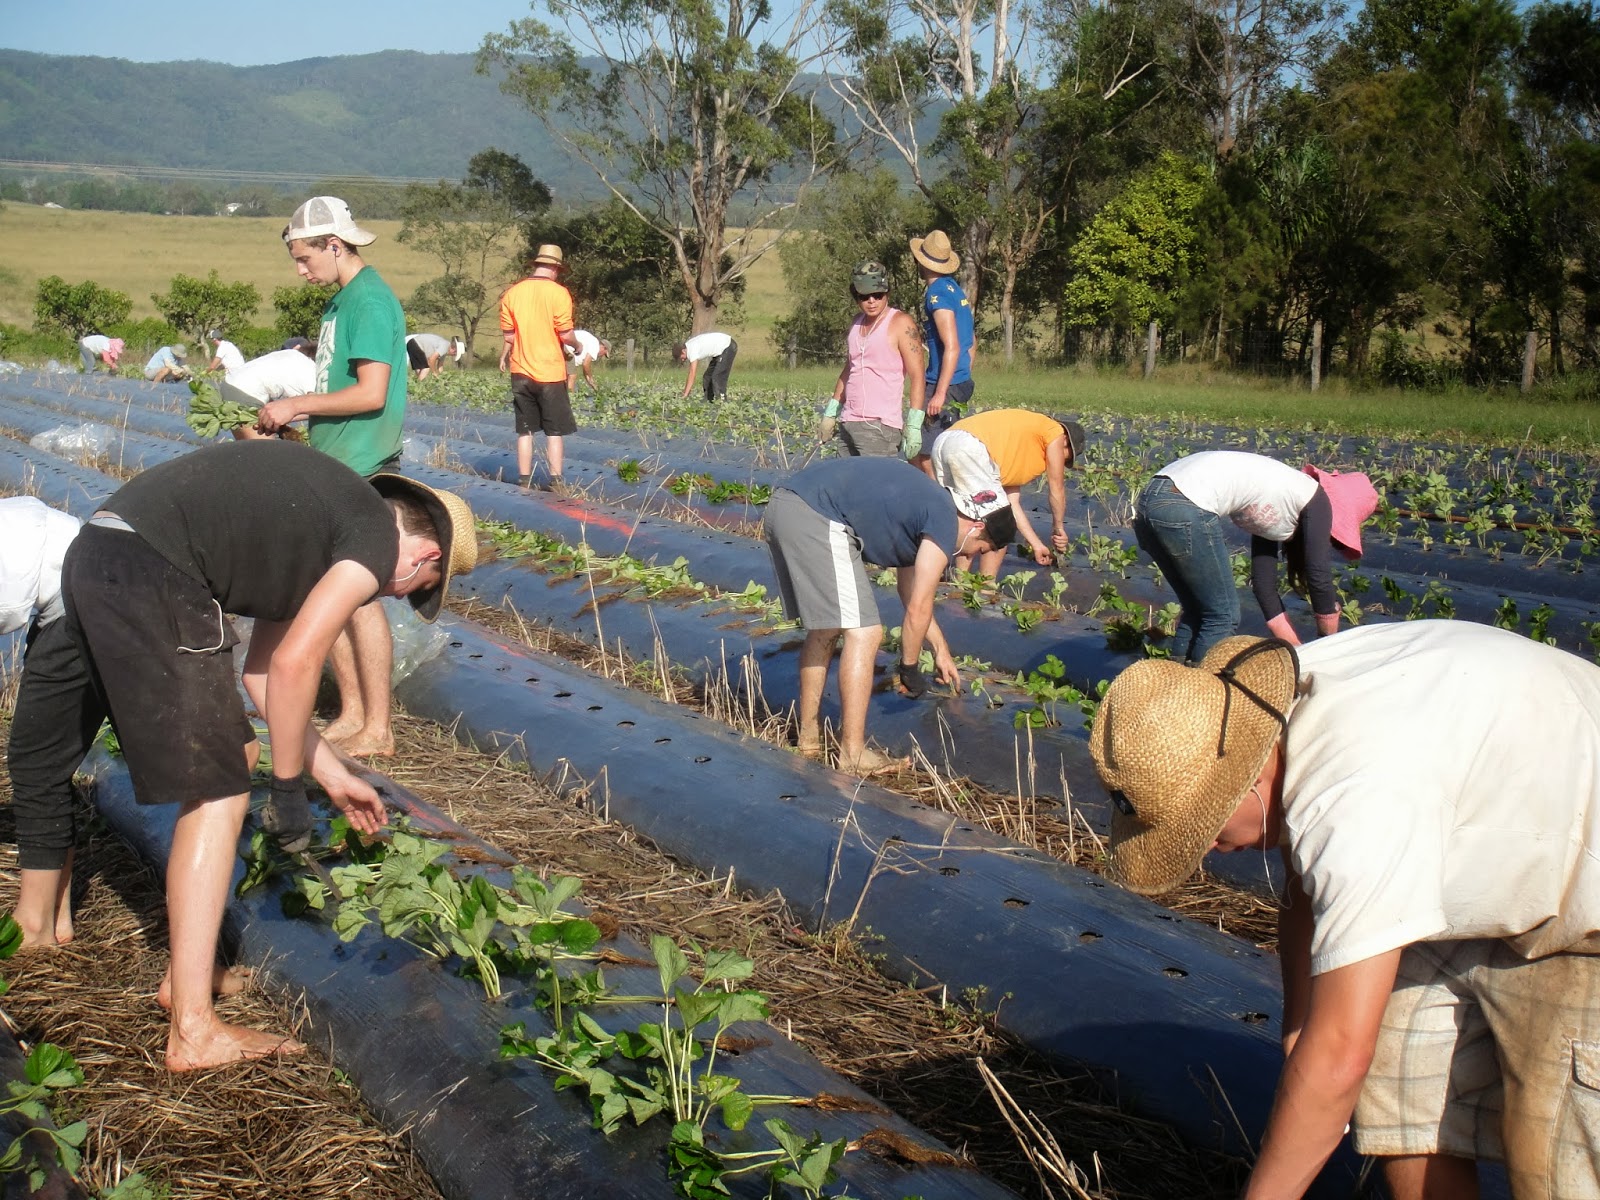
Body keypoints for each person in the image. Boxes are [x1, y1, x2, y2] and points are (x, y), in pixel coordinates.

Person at [6, 439, 478, 1072]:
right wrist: (285, 792)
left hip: (100, 553)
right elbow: (295, 664)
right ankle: (192, 1030)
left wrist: (330, 774)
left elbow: (262, 680)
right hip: (147, 566)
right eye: (414, 589)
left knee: (236, 747)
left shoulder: (315, 529)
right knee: (222, 784)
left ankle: (188, 978)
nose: (393, 599)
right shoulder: (368, 532)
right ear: (428, 553)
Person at [1090, 620, 1600, 1200]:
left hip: (1586, 896)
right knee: (1401, 1099)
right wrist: (1298, 1033)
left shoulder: (1356, 807)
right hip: (1487, 838)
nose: (1204, 847)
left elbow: (1339, 1054)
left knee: (1557, 1153)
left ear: (1251, 778)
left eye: (1201, 825)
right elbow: (1305, 896)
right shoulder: (1286, 715)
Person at [259, 195, 410, 757]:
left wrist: (297, 404)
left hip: (365, 465)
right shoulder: (340, 304)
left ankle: (379, 728)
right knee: (333, 594)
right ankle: (351, 714)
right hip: (336, 462)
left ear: (334, 245)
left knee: (360, 597)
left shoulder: (368, 301)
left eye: (305, 258)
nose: (302, 270)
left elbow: (371, 391)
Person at [763, 457, 1016, 776]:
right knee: (865, 633)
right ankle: (852, 754)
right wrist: (909, 667)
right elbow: (918, 608)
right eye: (980, 550)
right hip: (814, 513)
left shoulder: (927, 510)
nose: (969, 557)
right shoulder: (944, 520)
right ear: (977, 525)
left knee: (828, 628)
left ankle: (809, 739)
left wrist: (940, 651)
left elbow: (911, 593)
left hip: (788, 504)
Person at [1131, 451, 1378, 665]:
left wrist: (1295, 646)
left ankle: (1176, 688)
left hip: (1151, 499)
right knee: (1223, 616)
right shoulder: (1318, 499)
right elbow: (1318, 575)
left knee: (1198, 612)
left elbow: (1263, 584)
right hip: (1183, 501)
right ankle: (1198, 697)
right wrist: (1328, 641)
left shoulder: (1283, 498)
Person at [931, 410, 1087, 577]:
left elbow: (1011, 505)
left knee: (967, 518)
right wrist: (1058, 528)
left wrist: (1036, 545)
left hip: (944, 442)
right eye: (1066, 458)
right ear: (1065, 441)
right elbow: (1057, 488)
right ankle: (986, 586)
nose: (1061, 463)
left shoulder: (1022, 444)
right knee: (1000, 526)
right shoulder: (1055, 432)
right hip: (970, 447)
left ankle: (958, 579)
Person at [818, 260, 924, 458]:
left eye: (878, 295)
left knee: (875, 486)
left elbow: (917, 375)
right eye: (864, 296)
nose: (872, 301)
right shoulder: (856, 323)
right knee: (845, 486)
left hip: (879, 427)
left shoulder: (901, 323)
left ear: (887, 293)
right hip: (849, 422)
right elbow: (850, 369)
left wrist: (914, 423)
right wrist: (832, 411)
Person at [499, 244, 580, 491]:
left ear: (535, 266)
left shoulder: (512, 293)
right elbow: (565, 334)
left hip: (520, 371)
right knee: (554, 431)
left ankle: (524, 482)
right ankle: (555, 482)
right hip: (550, 372)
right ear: (555, 268)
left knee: (525, 431)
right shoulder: (559, 293)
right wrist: (576, 346)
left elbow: (510, 337)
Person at [903, 230, 975, 464]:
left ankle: (934, 499)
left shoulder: (937, 294)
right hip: (960, 380)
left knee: (922, 454)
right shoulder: (953, 287)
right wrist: (964, 372)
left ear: (920, 261)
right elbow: (971, 340)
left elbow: (952, 345)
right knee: (942, 449)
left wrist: (941, 392)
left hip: (943, 384)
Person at [221, 340, 316, 412]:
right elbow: (313, 406)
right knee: (262, 437)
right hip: (245, 393)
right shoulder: (310, 369)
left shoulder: (293, 353)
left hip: (230, 381)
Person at [675, 331, 737, 403]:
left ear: (683, 351)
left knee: (717, 377)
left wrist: (685, 394)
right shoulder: (689, 345)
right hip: (720, 351)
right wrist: (685, 391)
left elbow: (692, 374)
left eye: (681, 357)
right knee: (707, 376)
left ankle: (722, 401)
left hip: (728, 346)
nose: (682, 360)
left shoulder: (692, 350)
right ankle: (709, 400)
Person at [565, 329, 610, 393]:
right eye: (604, 353)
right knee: (572, 375)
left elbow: (585, 371)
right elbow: (586, 364)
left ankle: (563, 396)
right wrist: (591, 378)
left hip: (564, 343)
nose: (602, 356)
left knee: (564, 376)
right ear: (604, 347)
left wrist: (593, 385)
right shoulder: (595, 346)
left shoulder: (592, 342)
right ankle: (571, 398)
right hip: (567, 346)